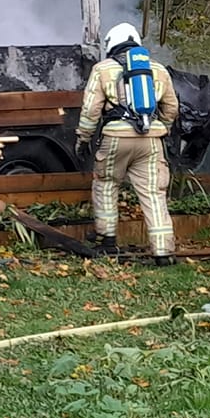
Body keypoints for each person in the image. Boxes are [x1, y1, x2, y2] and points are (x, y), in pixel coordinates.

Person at [74, 23, 182, 264]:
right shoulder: (158, 69)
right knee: (154, 194)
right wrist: (160, 128)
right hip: (151, 142)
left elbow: (91, 110)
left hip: (115, 139)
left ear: (111, 43)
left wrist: (83, 138)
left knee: (106, 184)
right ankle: (163, 252)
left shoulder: (102, 69)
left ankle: (107, 241)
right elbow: (171, 107)